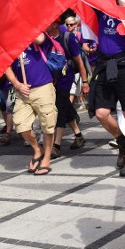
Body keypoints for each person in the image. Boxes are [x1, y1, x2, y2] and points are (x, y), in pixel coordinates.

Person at [88, 0, 125, 175]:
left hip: (124, 64)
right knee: (101, 112)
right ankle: (122, 142)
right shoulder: (102, 6)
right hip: (105, 64)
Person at [4, 33, 57, 175]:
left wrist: (24, 26)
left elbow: (40, 39)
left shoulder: (34, 34)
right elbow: (5, 65)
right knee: (20, 124)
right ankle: (37, 150)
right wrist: (17, 84)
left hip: (43, 86)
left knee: (47, 124)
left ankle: (46, 158)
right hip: (23, 90)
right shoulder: (9, 41)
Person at [47, 18, 88, 158]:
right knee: (66, 106)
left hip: (66, 78)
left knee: (60, 108)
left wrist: (85, 81)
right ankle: (78, 135)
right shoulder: (44, 39)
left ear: (54, 24)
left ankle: (56, 145)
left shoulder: (67, 37)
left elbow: (79, 61)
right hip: (51, 80)